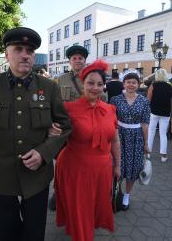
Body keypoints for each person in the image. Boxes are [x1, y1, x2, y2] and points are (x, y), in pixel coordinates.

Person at [0, 27, 71, 241]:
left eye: (30, 51)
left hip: (37, 176)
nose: (25, 54)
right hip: (2, 173)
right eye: (19, 49)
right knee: (2, 227)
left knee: (33, 232)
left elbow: (65, 125)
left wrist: (44, 153)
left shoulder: (49, 87)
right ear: (7, 54)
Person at [53, 59, 120, 241]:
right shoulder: (69, 109)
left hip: (102, 170)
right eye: (90, 83)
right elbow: (53, 132)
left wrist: (117, 166)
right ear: (83, 83)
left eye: (99, 84)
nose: (95, 88)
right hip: (75, 169)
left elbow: (114, 139)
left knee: (94, 207)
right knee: (80, 210)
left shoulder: (110, 109)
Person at [48, 45, 90, 211]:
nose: (78, 60)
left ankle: (80, 195)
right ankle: (57, 193)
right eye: (74, 58)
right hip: (65, 129)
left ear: (84, 60)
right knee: (61, 163)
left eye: (80, 58)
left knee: (83, 165)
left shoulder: (92, 76)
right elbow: (53, 103)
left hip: (86, 130)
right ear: (70, 61)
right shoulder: (60, 79)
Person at [110, 69, 150, 210]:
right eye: (128, 82)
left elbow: (145, 123)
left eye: (134, 82)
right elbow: (110, 121)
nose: (131, 85)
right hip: (118, 135)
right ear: (123, 84)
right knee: (116, 164)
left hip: (136, 137)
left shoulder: (144, 101)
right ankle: (115, 192)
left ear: (138, 84)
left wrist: (146, 143)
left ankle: (127, 195)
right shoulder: (115, 99)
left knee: (133, 168)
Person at [147, 68, 172, 162]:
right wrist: (170, 111)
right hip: (166, 112)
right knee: (163, 134)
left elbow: (148, 99)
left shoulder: (153, 85)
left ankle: (148, 153)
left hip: (154, 111)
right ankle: (163, 155)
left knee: (151, 132)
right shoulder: (170, 86)